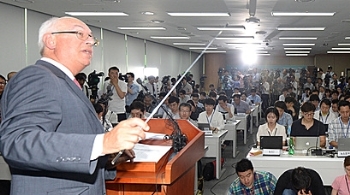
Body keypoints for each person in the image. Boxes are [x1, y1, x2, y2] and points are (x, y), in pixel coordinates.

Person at [0, 17, 149, 195]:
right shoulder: (37, 77)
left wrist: (109, 157)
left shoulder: (65, 82)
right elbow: (18, 142)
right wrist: (103, 142)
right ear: (50, 40)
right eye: (79, 34)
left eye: (92, 38)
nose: (90, 41)